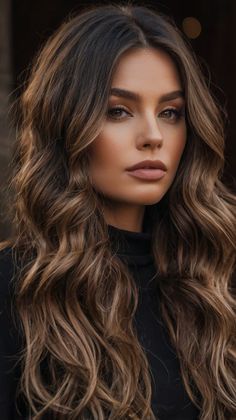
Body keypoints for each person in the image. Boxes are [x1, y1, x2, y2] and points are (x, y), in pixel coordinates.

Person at [0, 3, 235, 419]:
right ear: (67, 122)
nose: (153, 136)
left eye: (170, 113)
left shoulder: (216, 279)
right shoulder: (17, 287)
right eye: (119, 111)